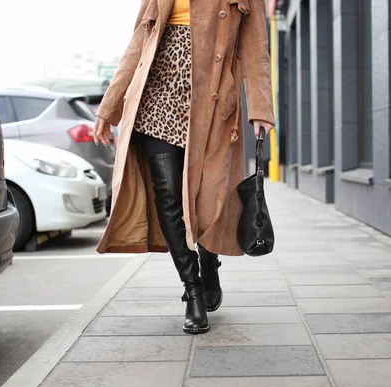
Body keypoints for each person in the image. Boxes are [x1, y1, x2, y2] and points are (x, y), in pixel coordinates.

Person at [93, 0, 275, 334]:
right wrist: (109, 107)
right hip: (157, 96)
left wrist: (261, 106)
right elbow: (139, 42)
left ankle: (209, 258)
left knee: (208, 199)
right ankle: (192, 287)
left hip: (212, 103)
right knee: (168, 196)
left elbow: (254, 46)